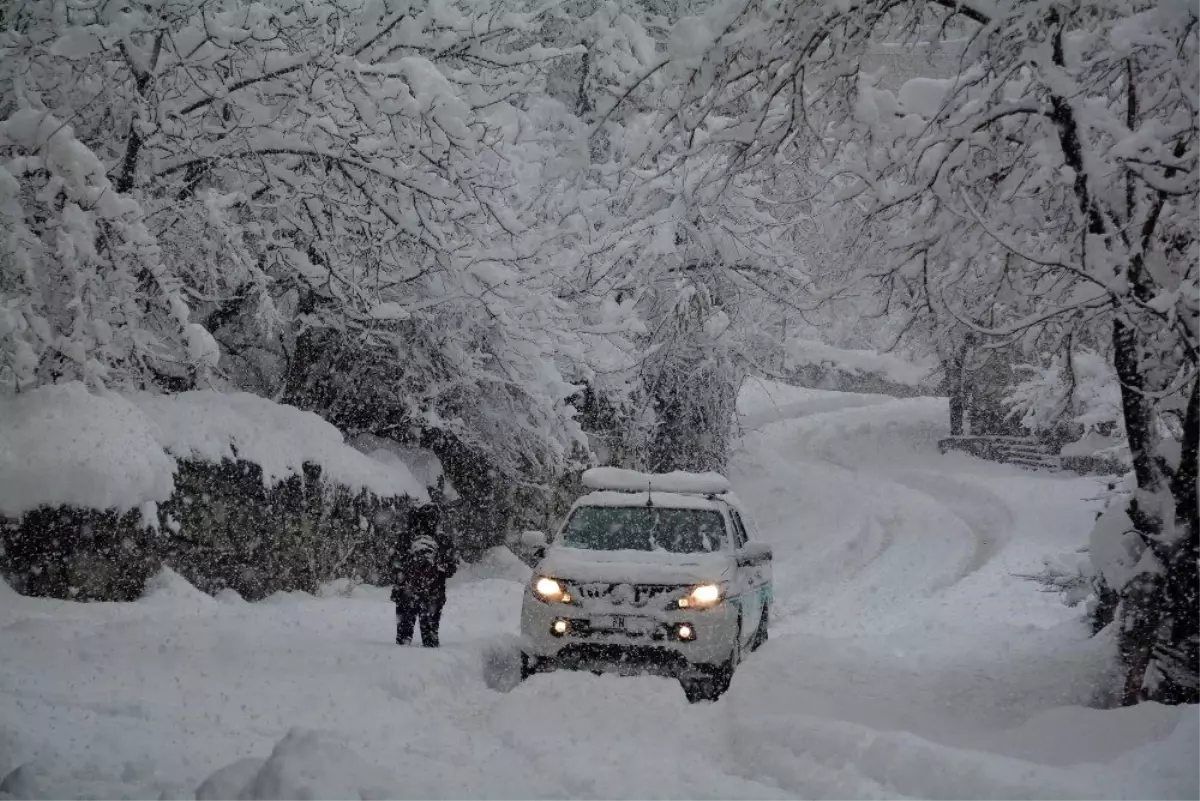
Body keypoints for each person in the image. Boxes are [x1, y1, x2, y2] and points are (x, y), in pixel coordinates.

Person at [391, 503, 456, 647]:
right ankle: (432, 665)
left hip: (405, 594)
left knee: (403, 638)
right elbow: (451, 569)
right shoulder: (443, 540)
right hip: (433, 595)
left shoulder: (403, 538)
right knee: (431, 639)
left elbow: (393, 566)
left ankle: (398, 664)